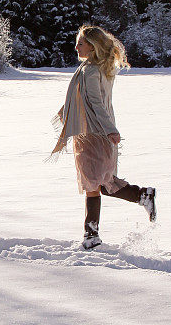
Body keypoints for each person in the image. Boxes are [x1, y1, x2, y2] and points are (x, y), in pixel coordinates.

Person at [50, 24, 157, 249]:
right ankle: (142, 196)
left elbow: (96, 103)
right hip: (97, 132)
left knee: (95, 184)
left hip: (93, 134)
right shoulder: (103, 68)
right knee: (104, 184)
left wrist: (110, 130)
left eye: (81, 43)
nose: (76, 46)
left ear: (93, 46)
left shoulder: (90, 70)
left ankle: (91, 236)